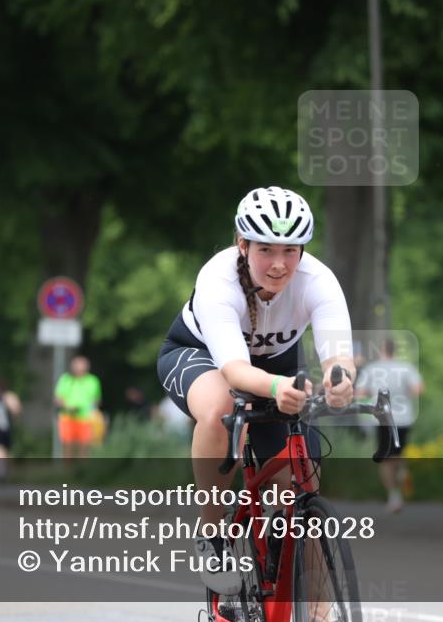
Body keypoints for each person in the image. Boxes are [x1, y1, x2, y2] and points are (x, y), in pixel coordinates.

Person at [156, 186, 355, 595]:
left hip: (277, 367)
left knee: (301, 483)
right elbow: (233, 370)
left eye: (290, 251)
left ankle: (311, 600)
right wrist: (279, 386)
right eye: (266, 249)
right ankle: (213, 537)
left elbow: (338, 356)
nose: (279, 265)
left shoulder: (319, 280)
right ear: (241, 244)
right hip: (202, 357)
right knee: (221, 408)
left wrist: (340, 381)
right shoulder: (218, 279)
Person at [356, 338, 423, 513]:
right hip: (404, 418)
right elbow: (418, 389)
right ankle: (402, 471)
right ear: (395, 351)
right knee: (398, 453)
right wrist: (402, 393)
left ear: (380, 351)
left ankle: (394, 496)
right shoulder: (406, 367)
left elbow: (360, 392)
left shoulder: (372, 369)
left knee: (386, 459)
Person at [54, 355, 102, 459]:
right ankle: (68, 469)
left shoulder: (93, 381)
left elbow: (96, 399)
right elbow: (58, 399)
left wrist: (94, 410)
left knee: (84, 446)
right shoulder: (66, 380)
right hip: (67, 417)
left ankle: (82, 470)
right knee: (68, 446)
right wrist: (68, 407)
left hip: (86, 418)